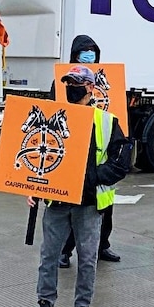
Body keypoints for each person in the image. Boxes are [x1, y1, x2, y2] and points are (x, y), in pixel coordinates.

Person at [29, 65, 130, 307]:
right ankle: (45, 306)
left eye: (77, 83)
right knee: (49, 256)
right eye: (68, 83)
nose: (71, 88)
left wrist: (92, 178)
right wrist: (34, 187)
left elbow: (121, 164)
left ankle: (82, 306)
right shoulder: (55, 117)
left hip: (88, 203)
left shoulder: (107, 121)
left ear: (90, 88)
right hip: (57, 202)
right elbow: (43, 157)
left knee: (87, 258)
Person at [55, 35, 123, 265]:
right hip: (70, 167)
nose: (89, 55)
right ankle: (64, 251)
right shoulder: (60, 82)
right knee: (69, 213)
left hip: (97, 173)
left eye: (92, 51)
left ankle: (103, 246)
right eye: (84, 51)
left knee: (104, 213)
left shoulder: (106, 86)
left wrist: (99, 173)